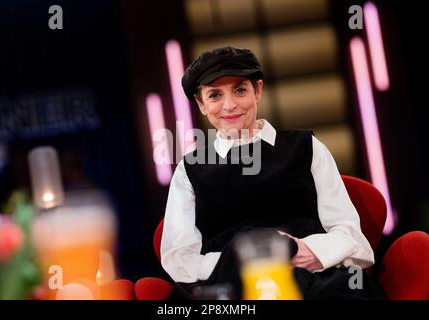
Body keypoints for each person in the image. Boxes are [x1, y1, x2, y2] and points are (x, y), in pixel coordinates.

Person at [160, 47, 382, 300]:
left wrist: (306, 252)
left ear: (258, 91)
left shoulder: (307, 148)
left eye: (240, 90)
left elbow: (348, 233)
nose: (229, 105)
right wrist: (246, 261)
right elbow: (179, 257)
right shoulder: (189, 169)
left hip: (312, 277)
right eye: (214, 95)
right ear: (201, 104)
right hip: (230, 285)